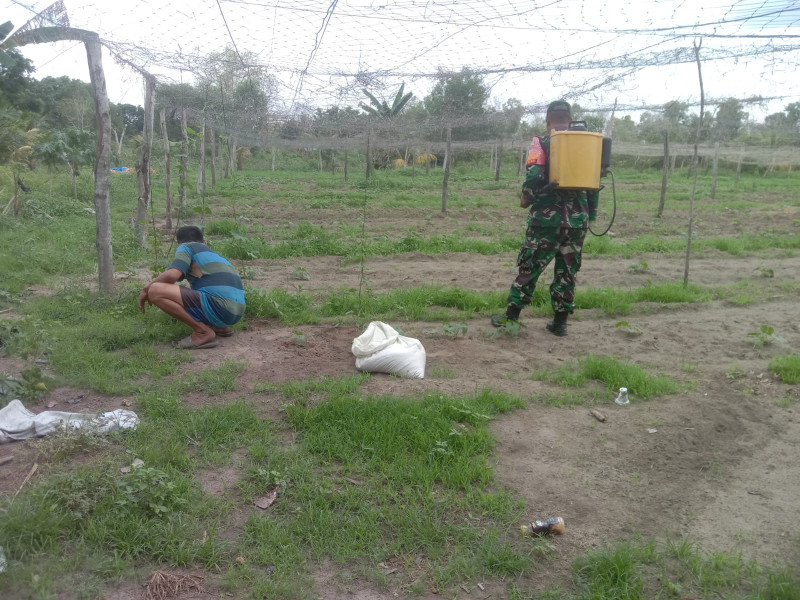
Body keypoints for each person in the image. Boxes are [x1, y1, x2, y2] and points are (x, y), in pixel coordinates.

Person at [491, 100, 599, 336]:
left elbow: (532, 178)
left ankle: (511, 317)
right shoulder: (587, 144)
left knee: (530, 267)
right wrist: (590, 215)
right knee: (567, 271)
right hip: (577, 222)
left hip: (545, 222)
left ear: (548, 120)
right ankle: (560, 324)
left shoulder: (541, 144)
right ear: (569, 119)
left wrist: (526, 198)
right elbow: (595, 184)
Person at [138, 225, 245, 349]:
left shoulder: (186, 247)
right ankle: (220, 327)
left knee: (155, 290)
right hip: (237, 312)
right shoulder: (215, 256)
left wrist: (146, 289)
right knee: (203, 289)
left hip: (219, 307)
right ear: (205, 243)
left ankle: (202, 332)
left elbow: (174, 274)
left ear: (178, 244)